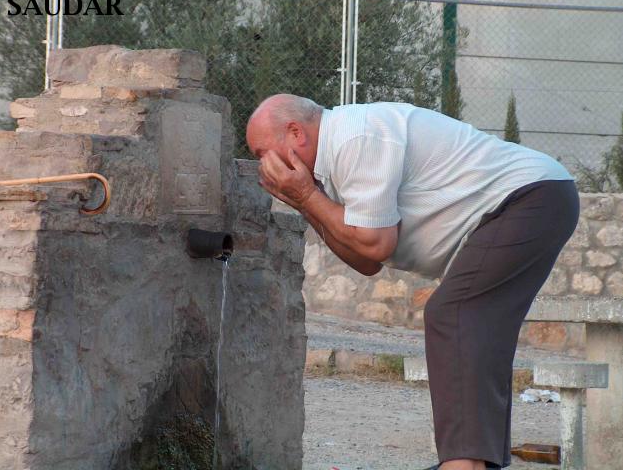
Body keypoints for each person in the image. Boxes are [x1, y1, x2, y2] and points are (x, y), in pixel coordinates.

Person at [246, 94, 579, 470]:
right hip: (531, 200)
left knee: (453, 312)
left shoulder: (355, 139)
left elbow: (374, 241)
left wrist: (306, 196)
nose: (263, 166)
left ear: (295, 133)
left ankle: (463, 464)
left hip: (529, 197)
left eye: (262, 152)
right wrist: (307, 200)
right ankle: (475, 463)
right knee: (472, 327)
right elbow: (367, 260)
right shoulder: (328, 167)